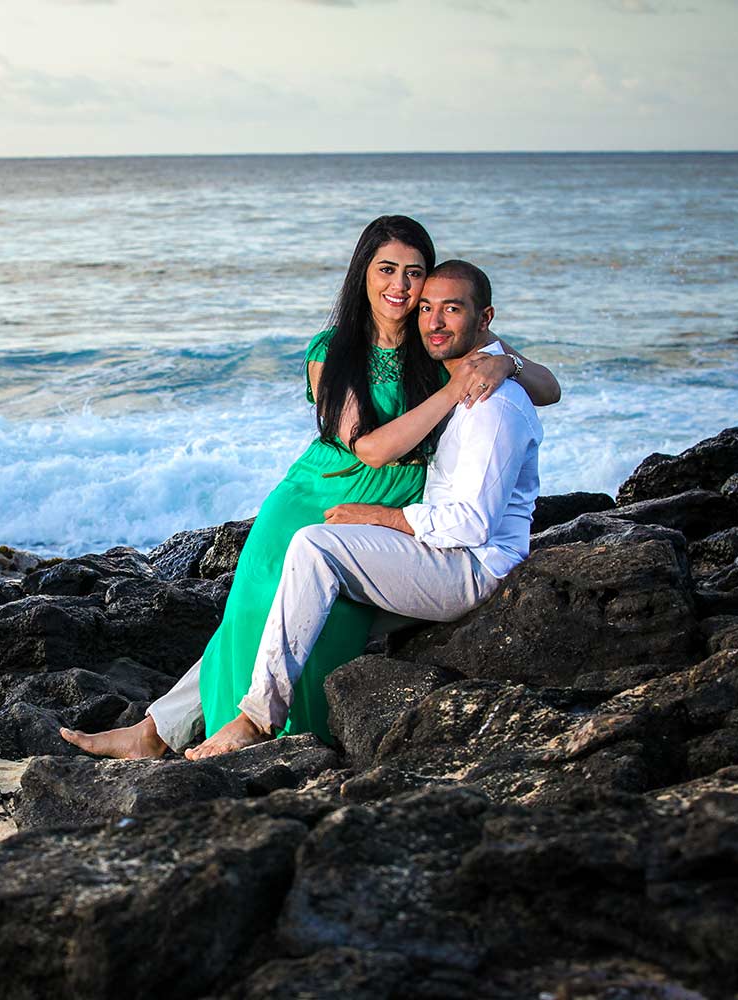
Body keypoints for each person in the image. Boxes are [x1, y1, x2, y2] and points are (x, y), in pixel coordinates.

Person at [61, 221, 557, 760]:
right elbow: (367, 449)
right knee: (255, 614)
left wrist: (507, 360)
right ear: (362, 275)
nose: (401, 286)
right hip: (319, 497)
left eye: (414, 274)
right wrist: (456, 390)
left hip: (401, 506)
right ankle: (168, 732)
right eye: (386, 270)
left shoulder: (433, 338)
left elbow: (547, 387)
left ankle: (288, 735)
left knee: (310, 615)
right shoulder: (333, 350)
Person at [187, 259, 542, 757]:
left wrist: (383, 517)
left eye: (451, 309)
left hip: (468, 565)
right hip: (426, 540)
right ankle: (168, 722)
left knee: (314, 548)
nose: (434, 321)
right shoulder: (446, 373)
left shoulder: (491, 404)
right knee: (280, 606)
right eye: (428, 309)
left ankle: (258, 717)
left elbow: (471, 524)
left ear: (484, 319)